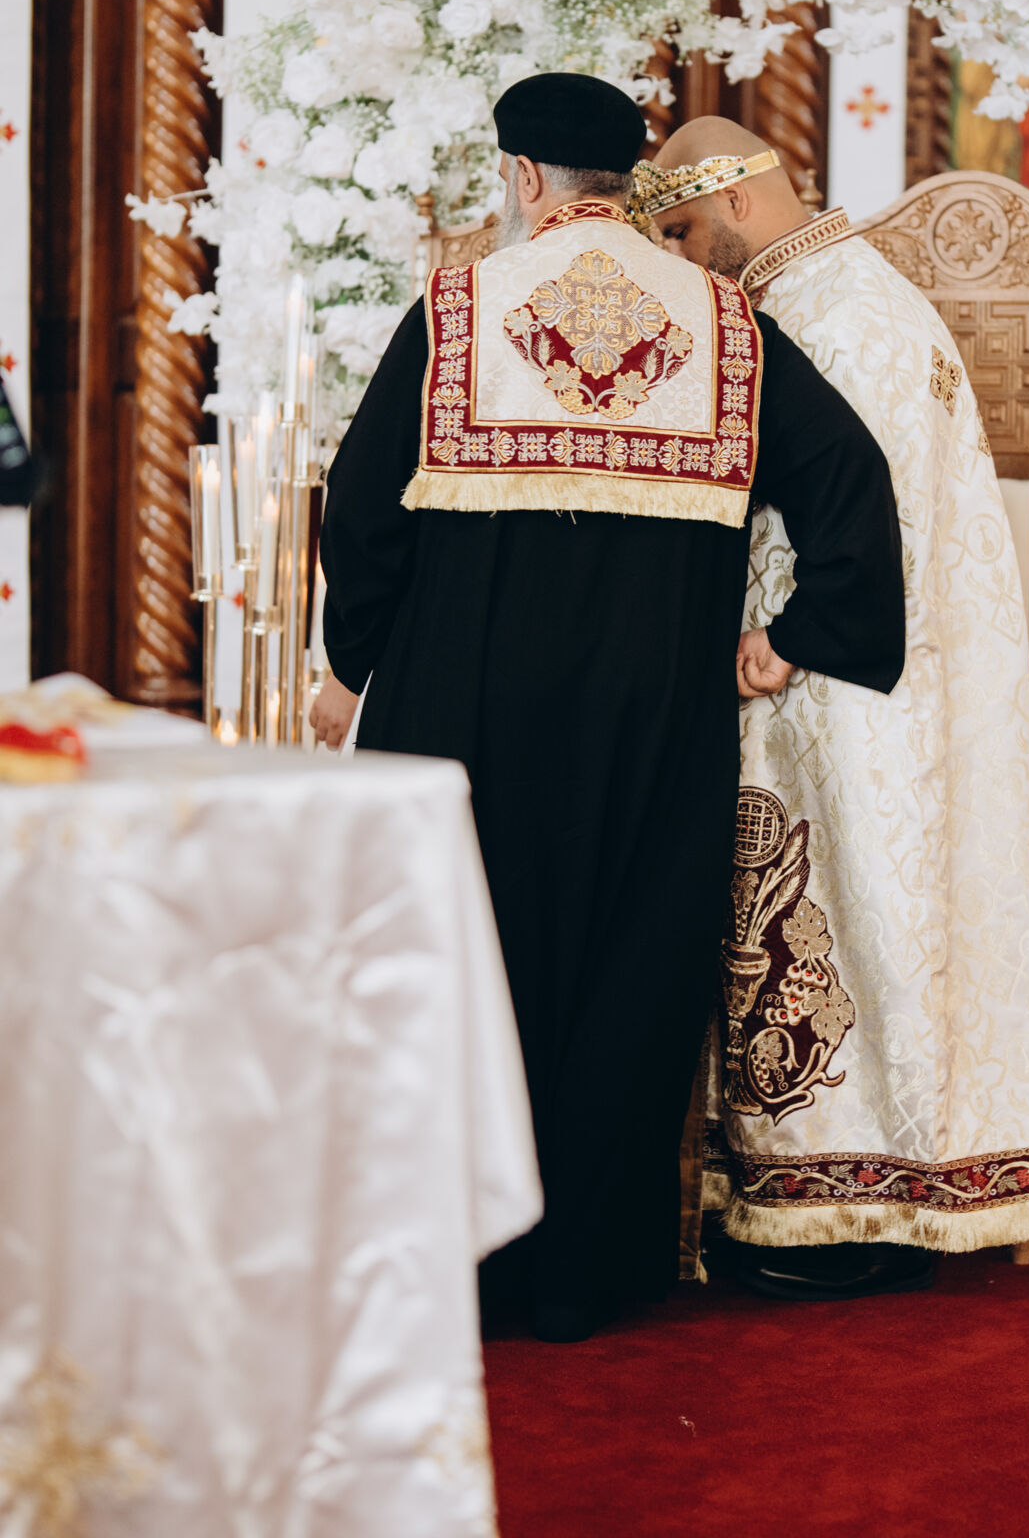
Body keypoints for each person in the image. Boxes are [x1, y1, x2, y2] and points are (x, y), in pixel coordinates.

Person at [310, 75, 906, 1341]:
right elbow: (851, 481)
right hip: (654, 707)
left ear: (522, 176)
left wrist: (352, 663)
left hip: (459, 710)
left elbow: (361, 510)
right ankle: (586, 1276)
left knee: (468, 962)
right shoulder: (725, 326)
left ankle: (465, 1268)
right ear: (624, 181)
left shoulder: (459, 309)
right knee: (627, 967)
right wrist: (797, 638)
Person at [637, 117, 1029, 1302]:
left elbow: (855, 524)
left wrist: (780, 643)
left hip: (840, 689)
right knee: (880, 920)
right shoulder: (846, 296)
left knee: (837, 916)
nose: (676, 257)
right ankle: (875, 1192)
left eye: (681, 231)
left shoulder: (827, 318)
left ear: (735, 203)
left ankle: (845, 1215)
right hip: (890, 679)